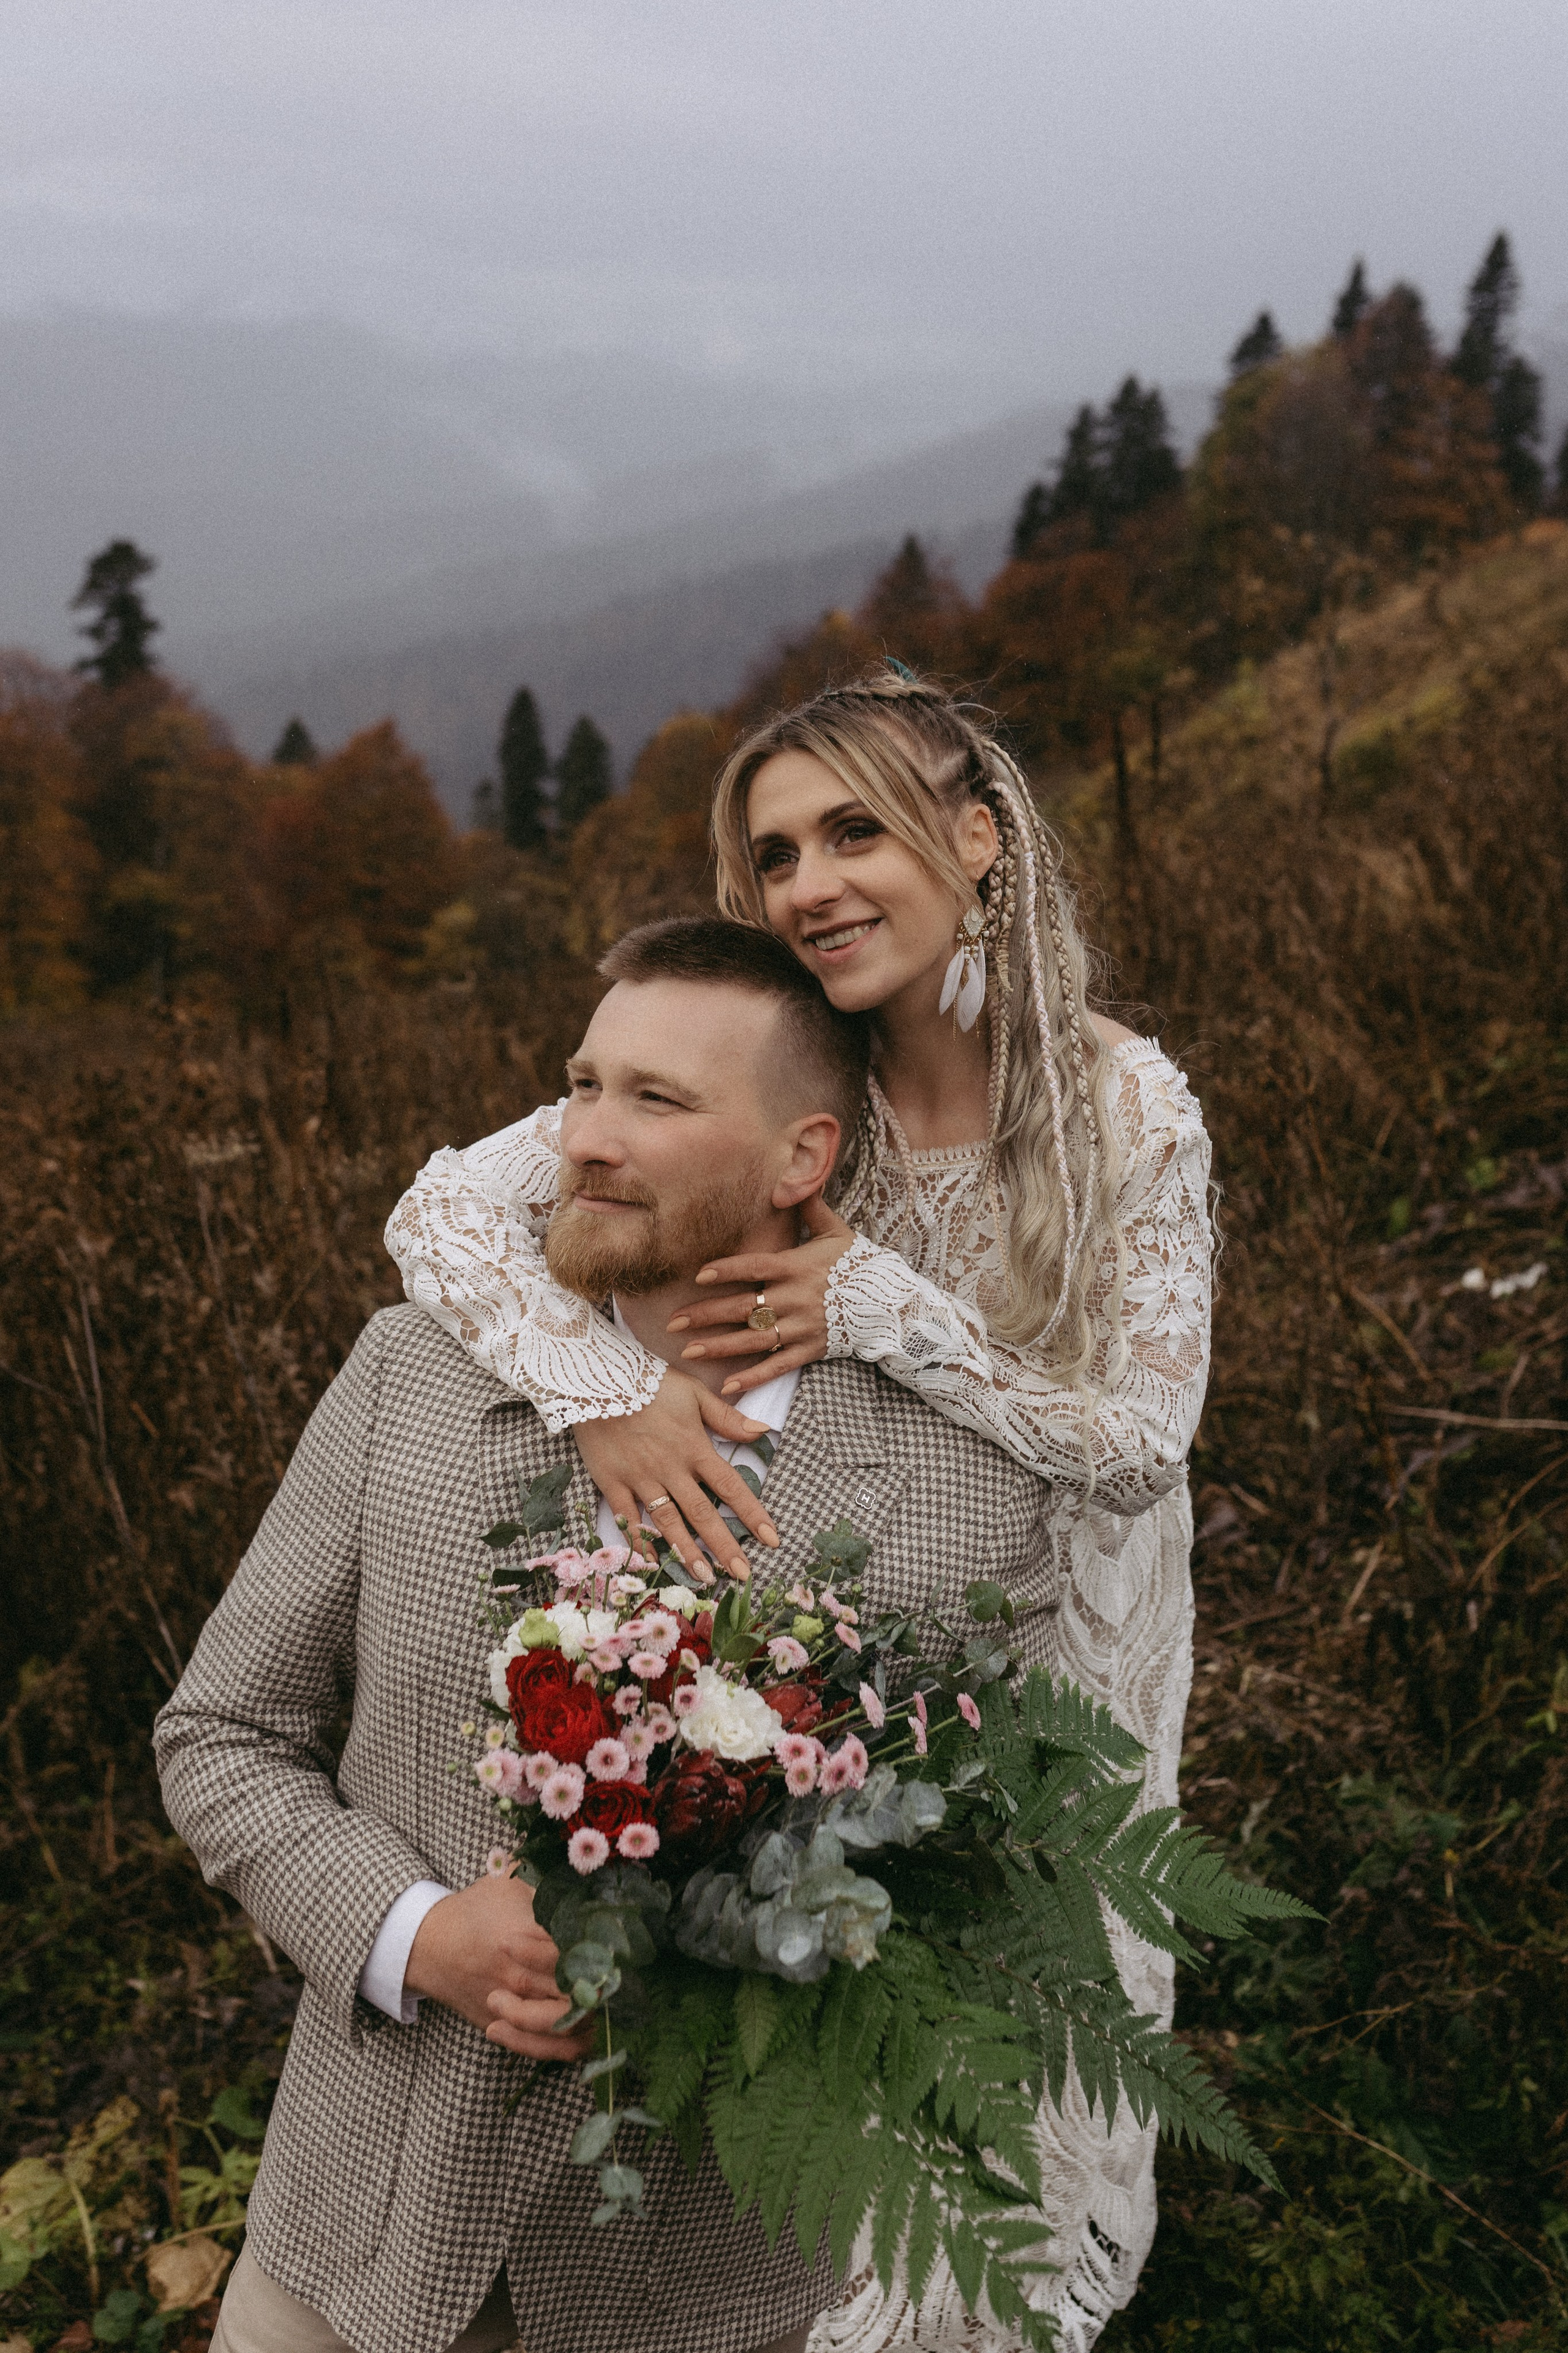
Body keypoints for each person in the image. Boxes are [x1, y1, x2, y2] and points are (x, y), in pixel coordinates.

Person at [385, 672, 1215, 2352]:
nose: (810, 882)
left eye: (857, 830)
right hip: (832, 1617)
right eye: (774, 852)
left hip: (1065, 1646)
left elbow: (1139, 1441)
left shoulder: (1124, 1102)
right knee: (816, 2065)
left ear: (977, 839)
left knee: (1008, 2085)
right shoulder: (778, 1071)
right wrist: (604, 1394)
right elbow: (446, 1212)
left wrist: (886, 1308)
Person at [154, 916, 1069, 2353]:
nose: (586, 1137)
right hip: (350, 2244)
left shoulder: (957, 1487)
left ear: (799, 1159)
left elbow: (972, 1879)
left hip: (699, 2285)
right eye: (582, 1085)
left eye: (656, 1100)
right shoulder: (413, 1372)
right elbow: (221, 1738)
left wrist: (736, 1927)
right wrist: (418, 1932)